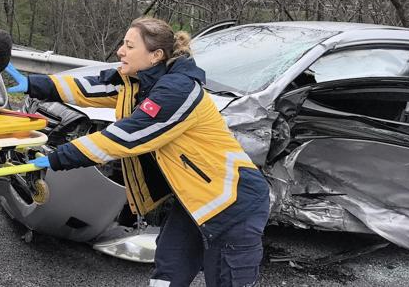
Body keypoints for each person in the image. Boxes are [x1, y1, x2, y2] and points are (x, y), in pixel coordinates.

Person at [20, 17, 270, 287]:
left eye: (129, 46)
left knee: (226, 279)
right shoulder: (137, 83)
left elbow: (125, 137)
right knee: (167, 274)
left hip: (234, 202)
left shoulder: (179, 90)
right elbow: (87, 87)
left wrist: (58, 157)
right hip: (195, 201)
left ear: (155, 56)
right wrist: (30, 84)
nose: (120, 51)